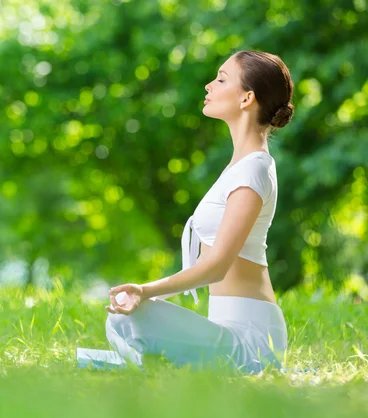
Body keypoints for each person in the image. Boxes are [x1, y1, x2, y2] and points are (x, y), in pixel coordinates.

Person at [104, 50, 295, 374]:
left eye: (221, 79)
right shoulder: (240, 167)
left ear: (247, 98)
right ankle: (154, 365)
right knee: (122, 314)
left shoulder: (254, 171)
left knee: (132, 313)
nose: (209, 85)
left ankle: (150, 366)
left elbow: (216, 267)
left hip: (254, 341)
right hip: (224, 327)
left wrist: (144, 290)